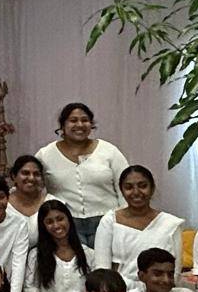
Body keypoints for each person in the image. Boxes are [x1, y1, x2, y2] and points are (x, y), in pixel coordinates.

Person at [35, 103, 128, 248]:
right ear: (63, 125)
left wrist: (125, 221)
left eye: (85, 120)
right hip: (66, 225)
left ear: (91, 125)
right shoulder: (45, 155)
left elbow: (125, 187)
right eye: (73, 120)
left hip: (108, 221)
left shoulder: (109, 151)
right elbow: (33, 188)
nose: (79, 125)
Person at [93, 165, 184, 288]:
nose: (136, 192)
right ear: (121, 191)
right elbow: (102, 271)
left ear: (152, 188)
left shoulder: (170, 224)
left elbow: (175, 274)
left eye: (142, 186)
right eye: (129, 187)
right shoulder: (110, 222)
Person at [22, 200, 90, 292]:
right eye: (49, 222)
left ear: (69, 219)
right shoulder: (36, 256)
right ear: (43, 226)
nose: (56, 225)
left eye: (60, 219)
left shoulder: (88, 254)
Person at [8, 154, 47, 219]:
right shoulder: (4, 205)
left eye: (36, 174)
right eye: (25, 173)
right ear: (14, 176)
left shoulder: (51, 203)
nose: (31, 178)